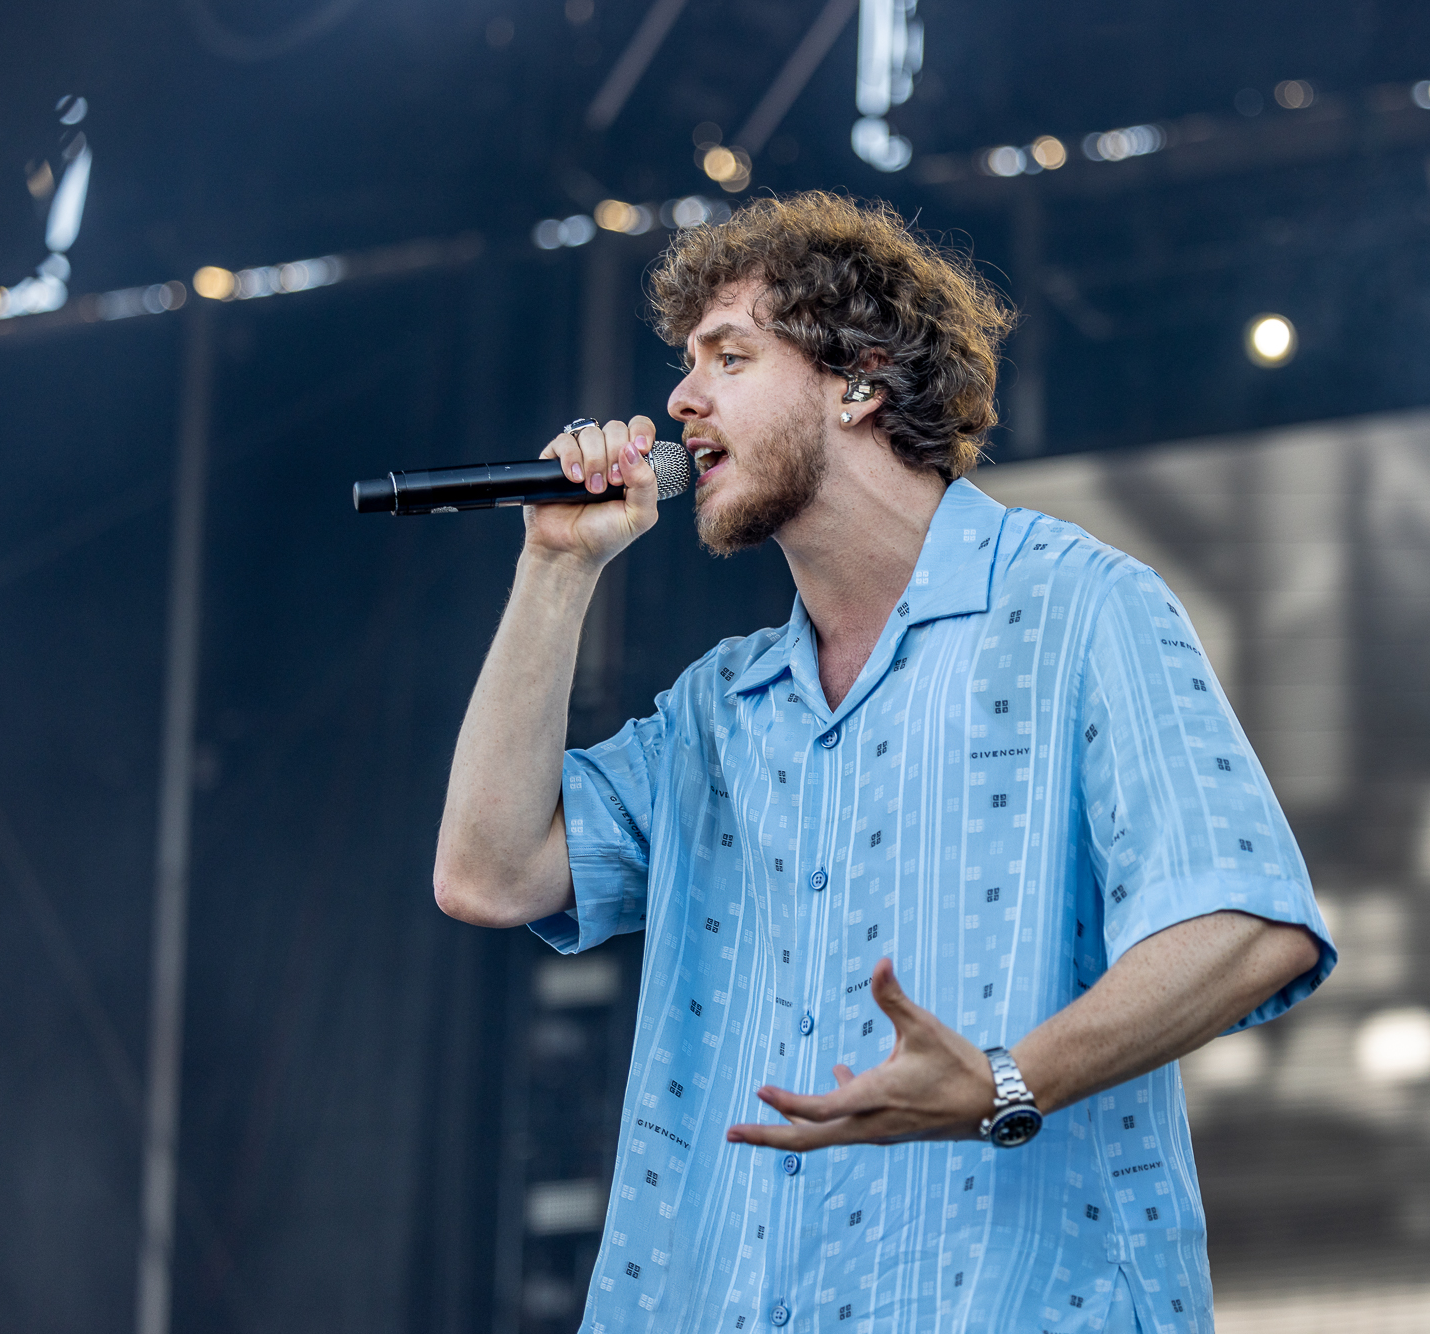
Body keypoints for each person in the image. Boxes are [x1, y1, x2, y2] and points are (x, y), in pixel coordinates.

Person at [434, 192, 1335, 1333]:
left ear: (858, 380)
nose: (678, 398)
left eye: (728, 354)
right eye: (684, 361)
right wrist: (555, 568)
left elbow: (1250, 921)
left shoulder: (1072, 606)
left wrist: (1007, 1079)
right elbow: (488, 872)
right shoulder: (722, 705)